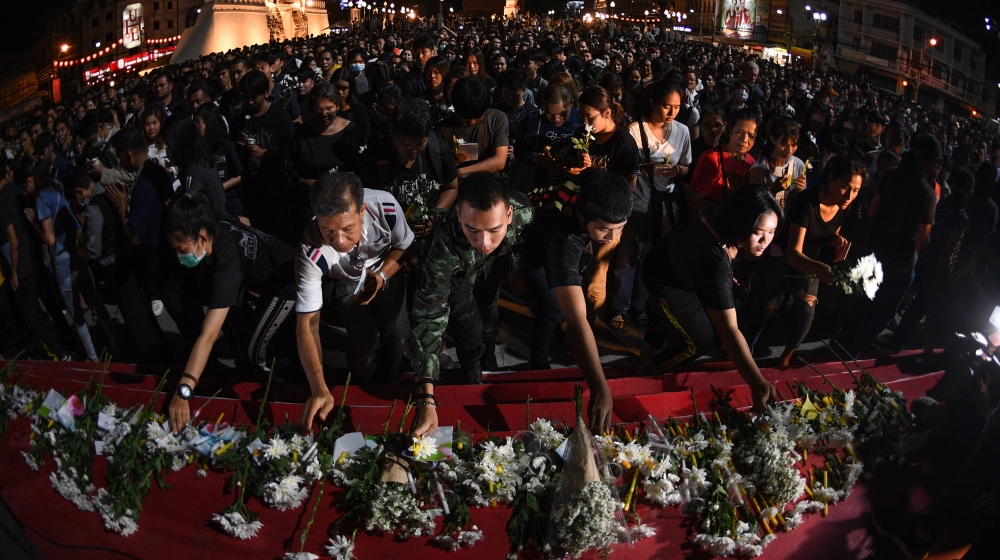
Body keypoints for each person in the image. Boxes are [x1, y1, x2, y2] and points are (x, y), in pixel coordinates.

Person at [166, 193, 298, 434]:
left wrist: (184, 389)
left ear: (202, 238)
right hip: (266, 280)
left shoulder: (226, 262)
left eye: (181, 249)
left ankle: (278, 396)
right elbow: (244, 221)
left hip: (289, 281)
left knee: (256, 350)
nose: (179, 256)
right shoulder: (214, 221)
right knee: (244, 334)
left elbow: (209, 335)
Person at [642, 184, 781, 410]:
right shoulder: (715, 259)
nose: (766, 241)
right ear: (741, 223)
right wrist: (757, 381)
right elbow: (728, 329)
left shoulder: (727, 212)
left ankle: (655, 330)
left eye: (772, 231)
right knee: (701, 340)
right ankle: (652, 369)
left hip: (683, 265)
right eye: (758, 232)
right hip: (667, 280)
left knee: (679, 318)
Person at [297, 172, 413, 429]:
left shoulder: (385, 206)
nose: (339, 241)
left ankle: (391, 383)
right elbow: (307, 324)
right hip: (346, 279)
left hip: (384, 266)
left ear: (362, 210)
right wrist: (318, 388)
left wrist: (382, 276)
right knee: (363, 345)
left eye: (347, 229)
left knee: (397, 333)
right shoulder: (309, 251)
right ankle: (360, 387)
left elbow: (405, 245)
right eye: (328, 231)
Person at [409, 172, 534, 393]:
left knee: (490, 308)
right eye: (473, 230)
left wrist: (515, 267)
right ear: (459, 214)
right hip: (459, 274)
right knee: (468, 328)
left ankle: (488, 356)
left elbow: (521, 241)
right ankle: (471, 364)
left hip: (494, 263)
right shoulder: (444, 242)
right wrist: (425, 386)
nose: (484, 242)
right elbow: (430, 313)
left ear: (509, 214)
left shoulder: (524, 212)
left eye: (494, 230)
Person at [521, 171, 631, 415]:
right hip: (532, 244)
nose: (613, 238)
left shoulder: (597, 187)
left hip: (552, 229)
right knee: (555, 309)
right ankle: (537, 362)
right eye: (603, 230)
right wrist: (600, 388)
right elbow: (576, 318)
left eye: (620, 228)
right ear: (582, 217)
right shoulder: (563, 239)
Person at [840, 134, 941, 358]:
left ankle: (843, 345)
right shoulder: (927, 194)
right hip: (901, 262)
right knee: (883, 313)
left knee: (864, 303)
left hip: (876, 250)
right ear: (930, 161)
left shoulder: (892, 175)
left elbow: (872, 211)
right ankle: (854, 351)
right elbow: (921, 242)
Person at [612, 81, 692, 332]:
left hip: (664, 207)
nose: (672, 112)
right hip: (637, 203)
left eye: (677, 107)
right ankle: (619, 306)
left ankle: (641, 305)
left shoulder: (682, 131)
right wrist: (647, 168)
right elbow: (622, 167)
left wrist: (677, 170)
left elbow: (687, 165)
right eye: (667, 106)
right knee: (627, 259)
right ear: (653, 103)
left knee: (650, 259)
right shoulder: (635, 130)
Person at [774, 155, 865, 365]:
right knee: (765, 307)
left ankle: (786, 358)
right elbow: (793, 253)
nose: (849, 196)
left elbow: (827, 233)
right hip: (783, 254)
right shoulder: (808, 202)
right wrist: (823, 269)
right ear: (831, 179)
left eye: (856, 190)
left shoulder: (845, 206)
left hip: (810, 257)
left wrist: (835, 240)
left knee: (807, 310)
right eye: (845, 187)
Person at [22, 162, 99, 361]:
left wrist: (35, 224)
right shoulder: (56, 185)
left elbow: (50, 239)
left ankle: (93, 358)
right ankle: (113, 341)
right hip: (77, 246)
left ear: (31, 179)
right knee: (92, 298)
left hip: (62, 255)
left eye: (25, 183)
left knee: (75, 313)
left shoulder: (41, 198)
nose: (25, 189)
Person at [0, 156, 70, 360]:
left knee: (31, 316)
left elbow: (13, 241)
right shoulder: (18, 189)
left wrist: (14, 273)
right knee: (52, 307)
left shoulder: (2, 202)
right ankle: (69, 341)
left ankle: (59, 353)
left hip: (22, 266)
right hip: (36, 257)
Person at [435, 77, 509, 181]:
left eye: (477, 118)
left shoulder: (496, 119)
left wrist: (461, 173)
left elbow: (499, 161)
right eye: (464, 118)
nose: (471, 122)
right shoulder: (442, 129)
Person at [687, 107, 759, 211]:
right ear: (730, 130)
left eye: (751, 136)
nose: (744, 139)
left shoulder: (752, 164)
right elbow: (693, 200)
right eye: (739, 132)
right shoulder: (711, 159)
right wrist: (725, 211)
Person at [161, 115, 228, 218]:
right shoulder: (203, 159)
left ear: (178, 144)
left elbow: (192, 217)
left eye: (168, 145)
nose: (167, 150)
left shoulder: (193, 174)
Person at [194, 103, 244, 218]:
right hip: (208, 207)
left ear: (210, 123)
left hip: (229, 204)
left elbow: (239, 175)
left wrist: (218, 188)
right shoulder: (199, 148)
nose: (196, 127)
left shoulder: (227, 144)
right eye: (195, 123)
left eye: (199, 123)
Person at [747, 116, 808, 211]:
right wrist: (774, 190)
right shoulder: (759, 169)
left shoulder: (798, 164)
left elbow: (802, 203)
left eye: (794, 145)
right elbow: (755, 205)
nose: (789, 150)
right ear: (773, 139)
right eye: (784, 145)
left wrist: (800, 190)